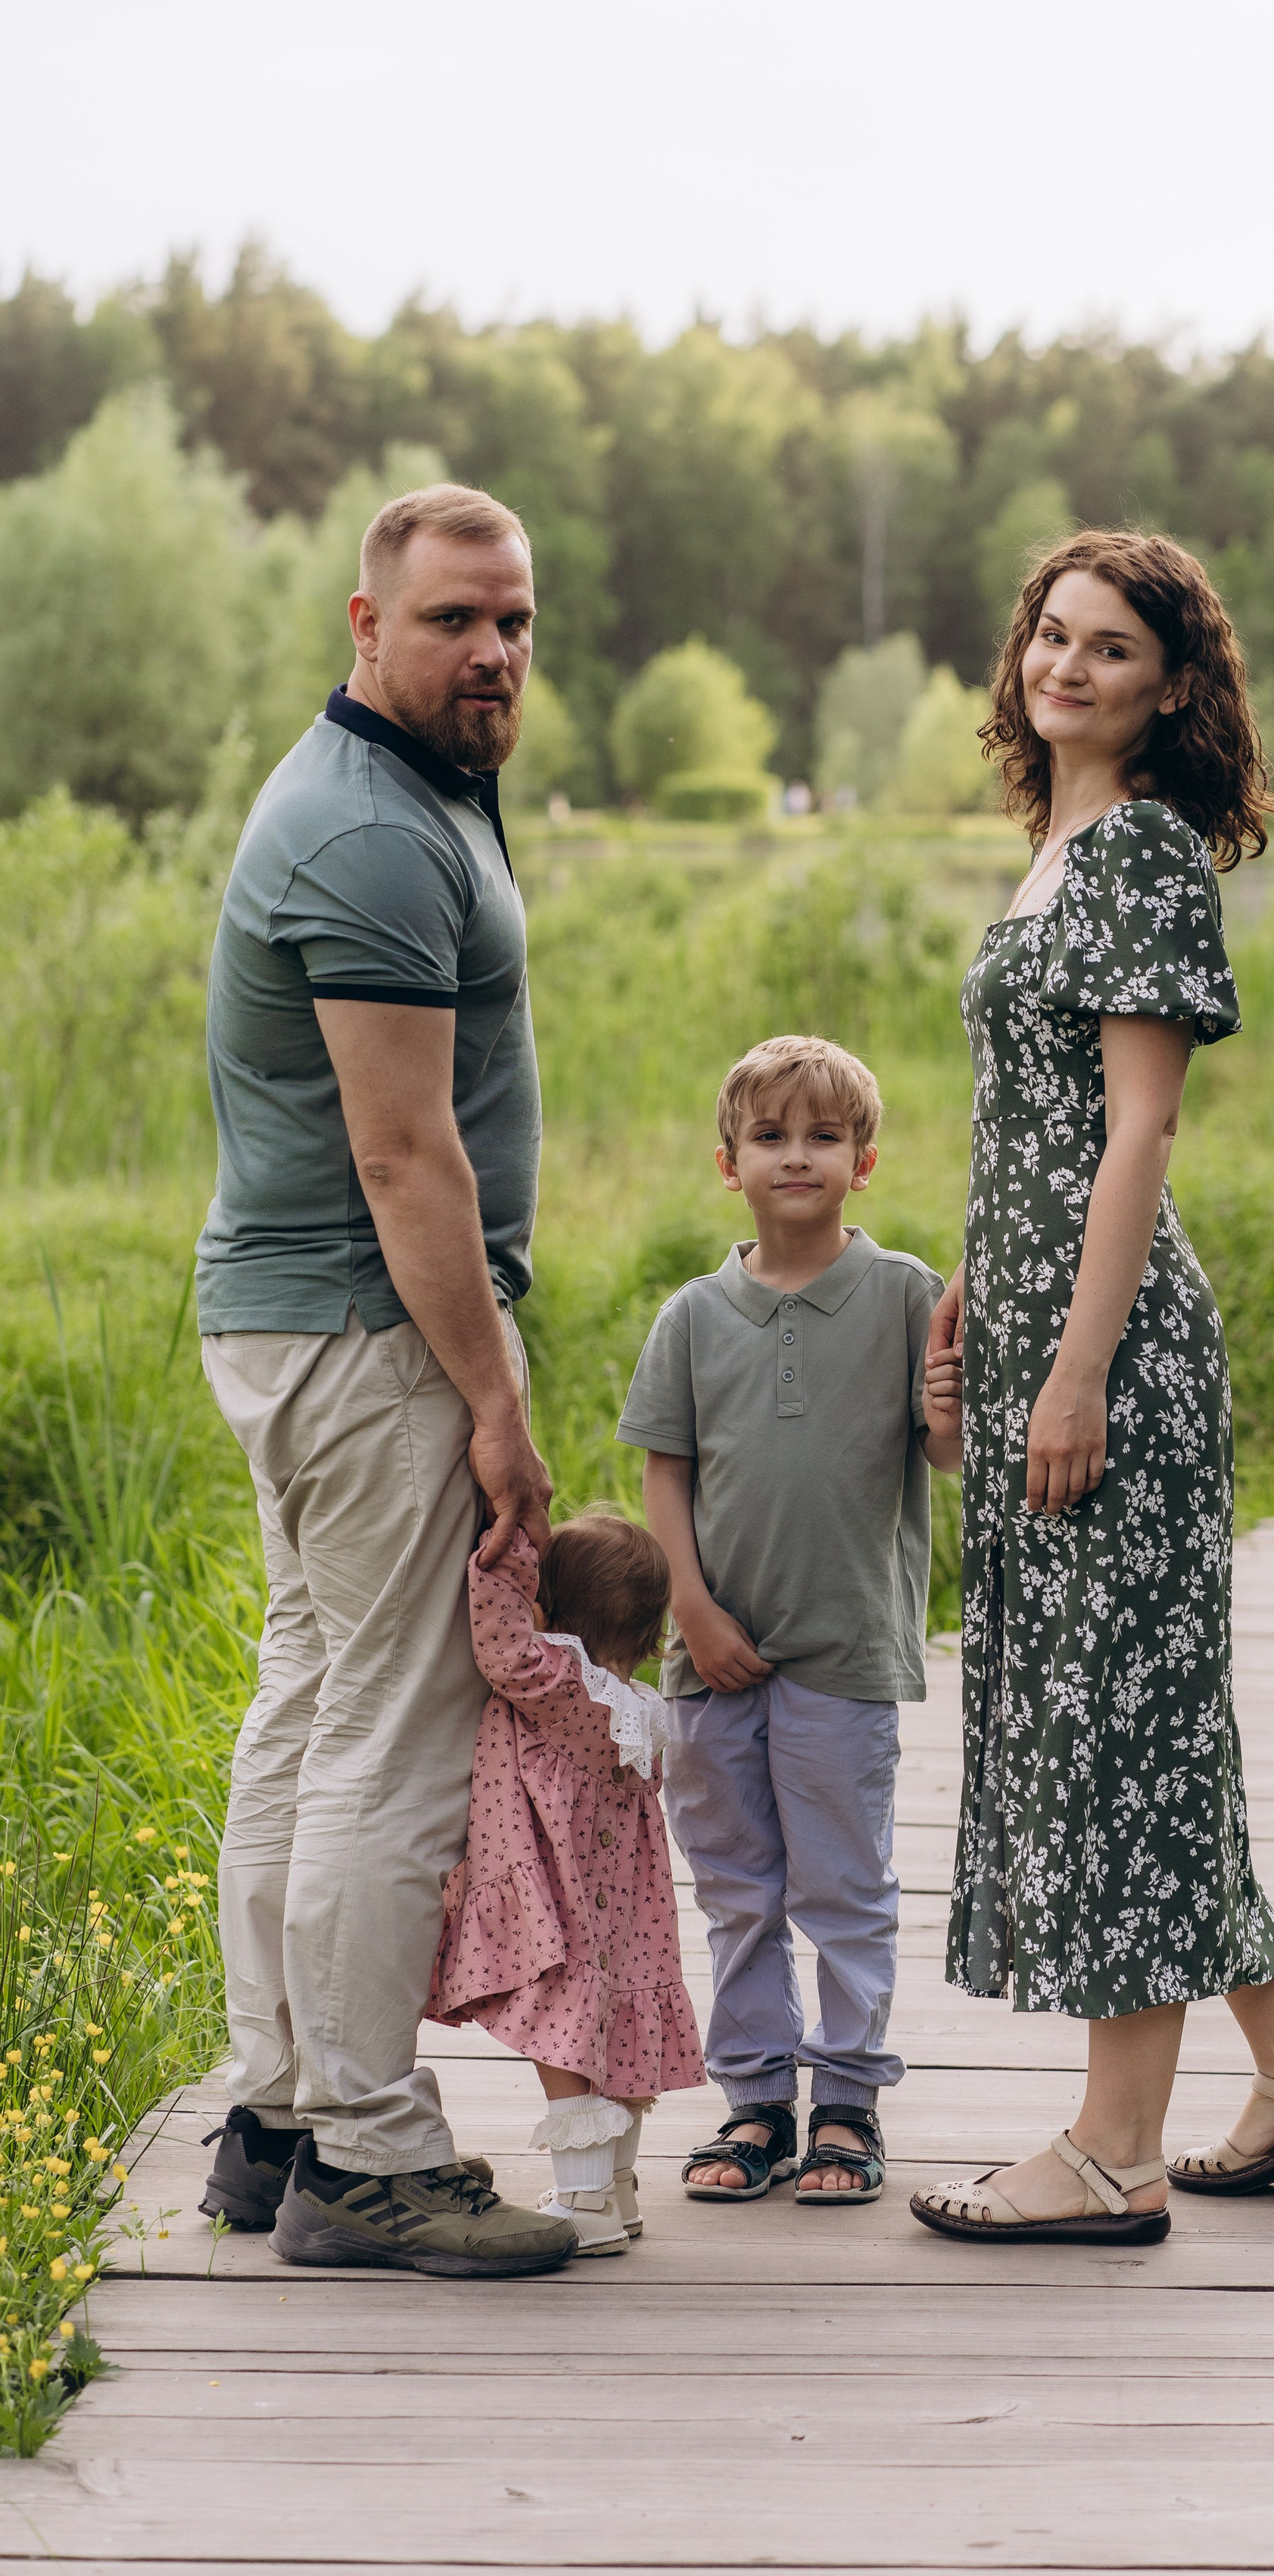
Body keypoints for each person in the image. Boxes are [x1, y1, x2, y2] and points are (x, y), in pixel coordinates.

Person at [909, 529, 1274, 2247]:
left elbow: (1138, 1126)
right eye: (1050, 634)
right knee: (1139, 1722)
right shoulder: (1050, 848)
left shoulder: (1136, 858)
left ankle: (1112, 2149)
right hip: (1045, 1318)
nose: (1066, 665)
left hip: (1111, 1363)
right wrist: (983, 1278)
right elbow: (1031, 1123)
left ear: (1171, 682)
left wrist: (1078, 1366)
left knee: (1123, 1732)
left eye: (1109, 646)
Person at [195, 483, 578, 2278]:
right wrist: (494, 1400)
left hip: (306, 1324)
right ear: (366, 624)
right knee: (390, 1733)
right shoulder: (366, 829)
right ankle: (368, 2153)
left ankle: (275, 2109)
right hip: (368, 1331)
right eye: (451, 620)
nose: (491, 650)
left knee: (309, 1699)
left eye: (511, 618)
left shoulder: (412, 794)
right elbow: (403, 1153)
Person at [619, 1036, 961, 2206]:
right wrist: (694, 1607)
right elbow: (666, 1475)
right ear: (730, 1164)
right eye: (771, 1137)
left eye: (824, 1136)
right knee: (738, 1888)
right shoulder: (694, 1316)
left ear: (865, 1162)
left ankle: (850, 2105)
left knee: (843, 1886)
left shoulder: (909, 1294)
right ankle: (756, 2099)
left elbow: (948, 1454)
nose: (797, 1156)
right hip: (710, 1660)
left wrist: (951, 1404)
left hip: (846, 1649)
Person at [427, 1514, 707, 2255]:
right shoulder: (638, 1711)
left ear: (552, 1611)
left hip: (559, 1904)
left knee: (568, 2041)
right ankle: (616, 2188)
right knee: (615, 2027)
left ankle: (583, 2203)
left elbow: (502, 1647)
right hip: (627, 1922)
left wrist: (505, 1543)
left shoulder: (558, 1685)